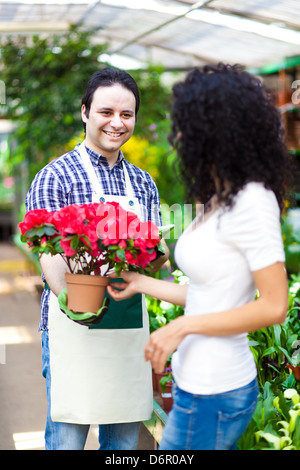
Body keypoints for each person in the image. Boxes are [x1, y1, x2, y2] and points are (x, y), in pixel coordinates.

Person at [107, 63, 291, 450]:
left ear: (217, 129)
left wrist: (181, 328)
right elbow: (211, 295)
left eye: (186, 123)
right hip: (196, 386)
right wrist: (142, 283)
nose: (178, 134)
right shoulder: (220, 197)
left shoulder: (253, 201)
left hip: (217, 391)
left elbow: (275, 306)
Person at [25, 67, 169, 450]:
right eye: (106, 112)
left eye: (127, 114)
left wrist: (157, 254)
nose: (117, 123)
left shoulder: (143, 182)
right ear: (85, 112)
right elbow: (50, 253)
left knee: (122, 442)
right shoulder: (55, 177)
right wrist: (69, 297)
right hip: (72, 322)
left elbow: (153, 255)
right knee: (69, 436)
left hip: (125, 324)